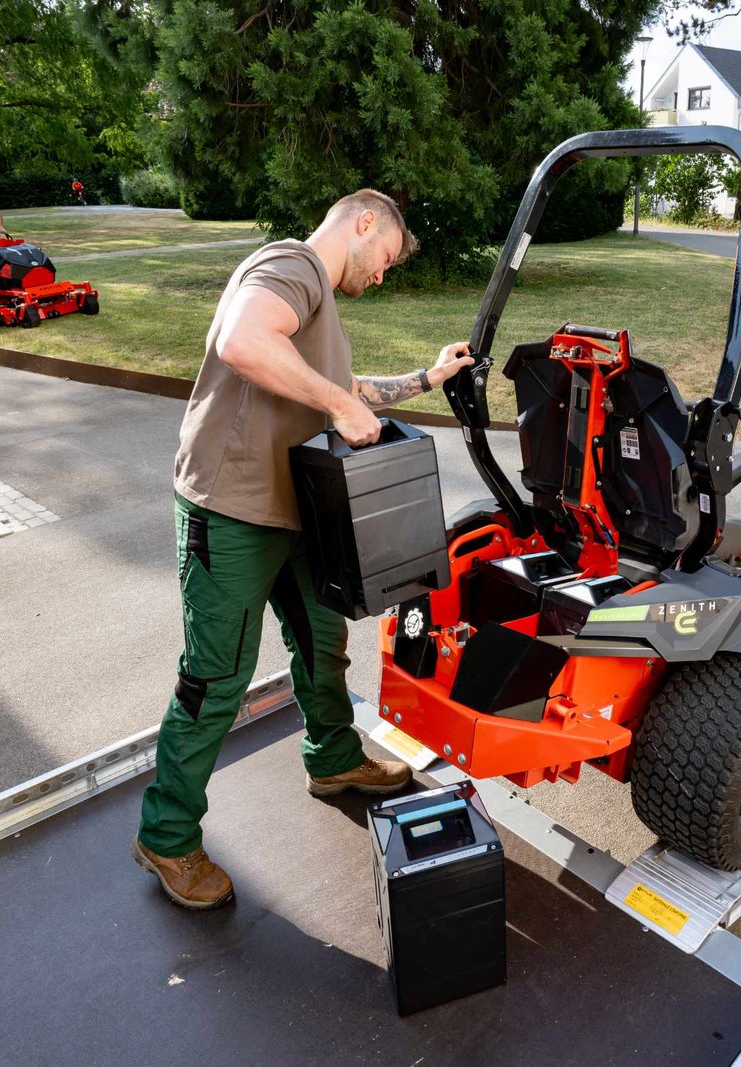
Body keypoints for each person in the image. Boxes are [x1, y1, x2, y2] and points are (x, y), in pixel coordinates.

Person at [132, 189, 475, 910]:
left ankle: (334, 758)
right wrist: (342, 406)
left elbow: (345, 389)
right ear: (363, 222)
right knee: (215, 675)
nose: (381, 276)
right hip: (227, 509)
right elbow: (244, 341)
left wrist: (426, 378)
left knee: (322, 639)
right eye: (383, 260)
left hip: (291, 510)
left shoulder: (320, 307)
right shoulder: (289, 266)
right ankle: (166, 835)